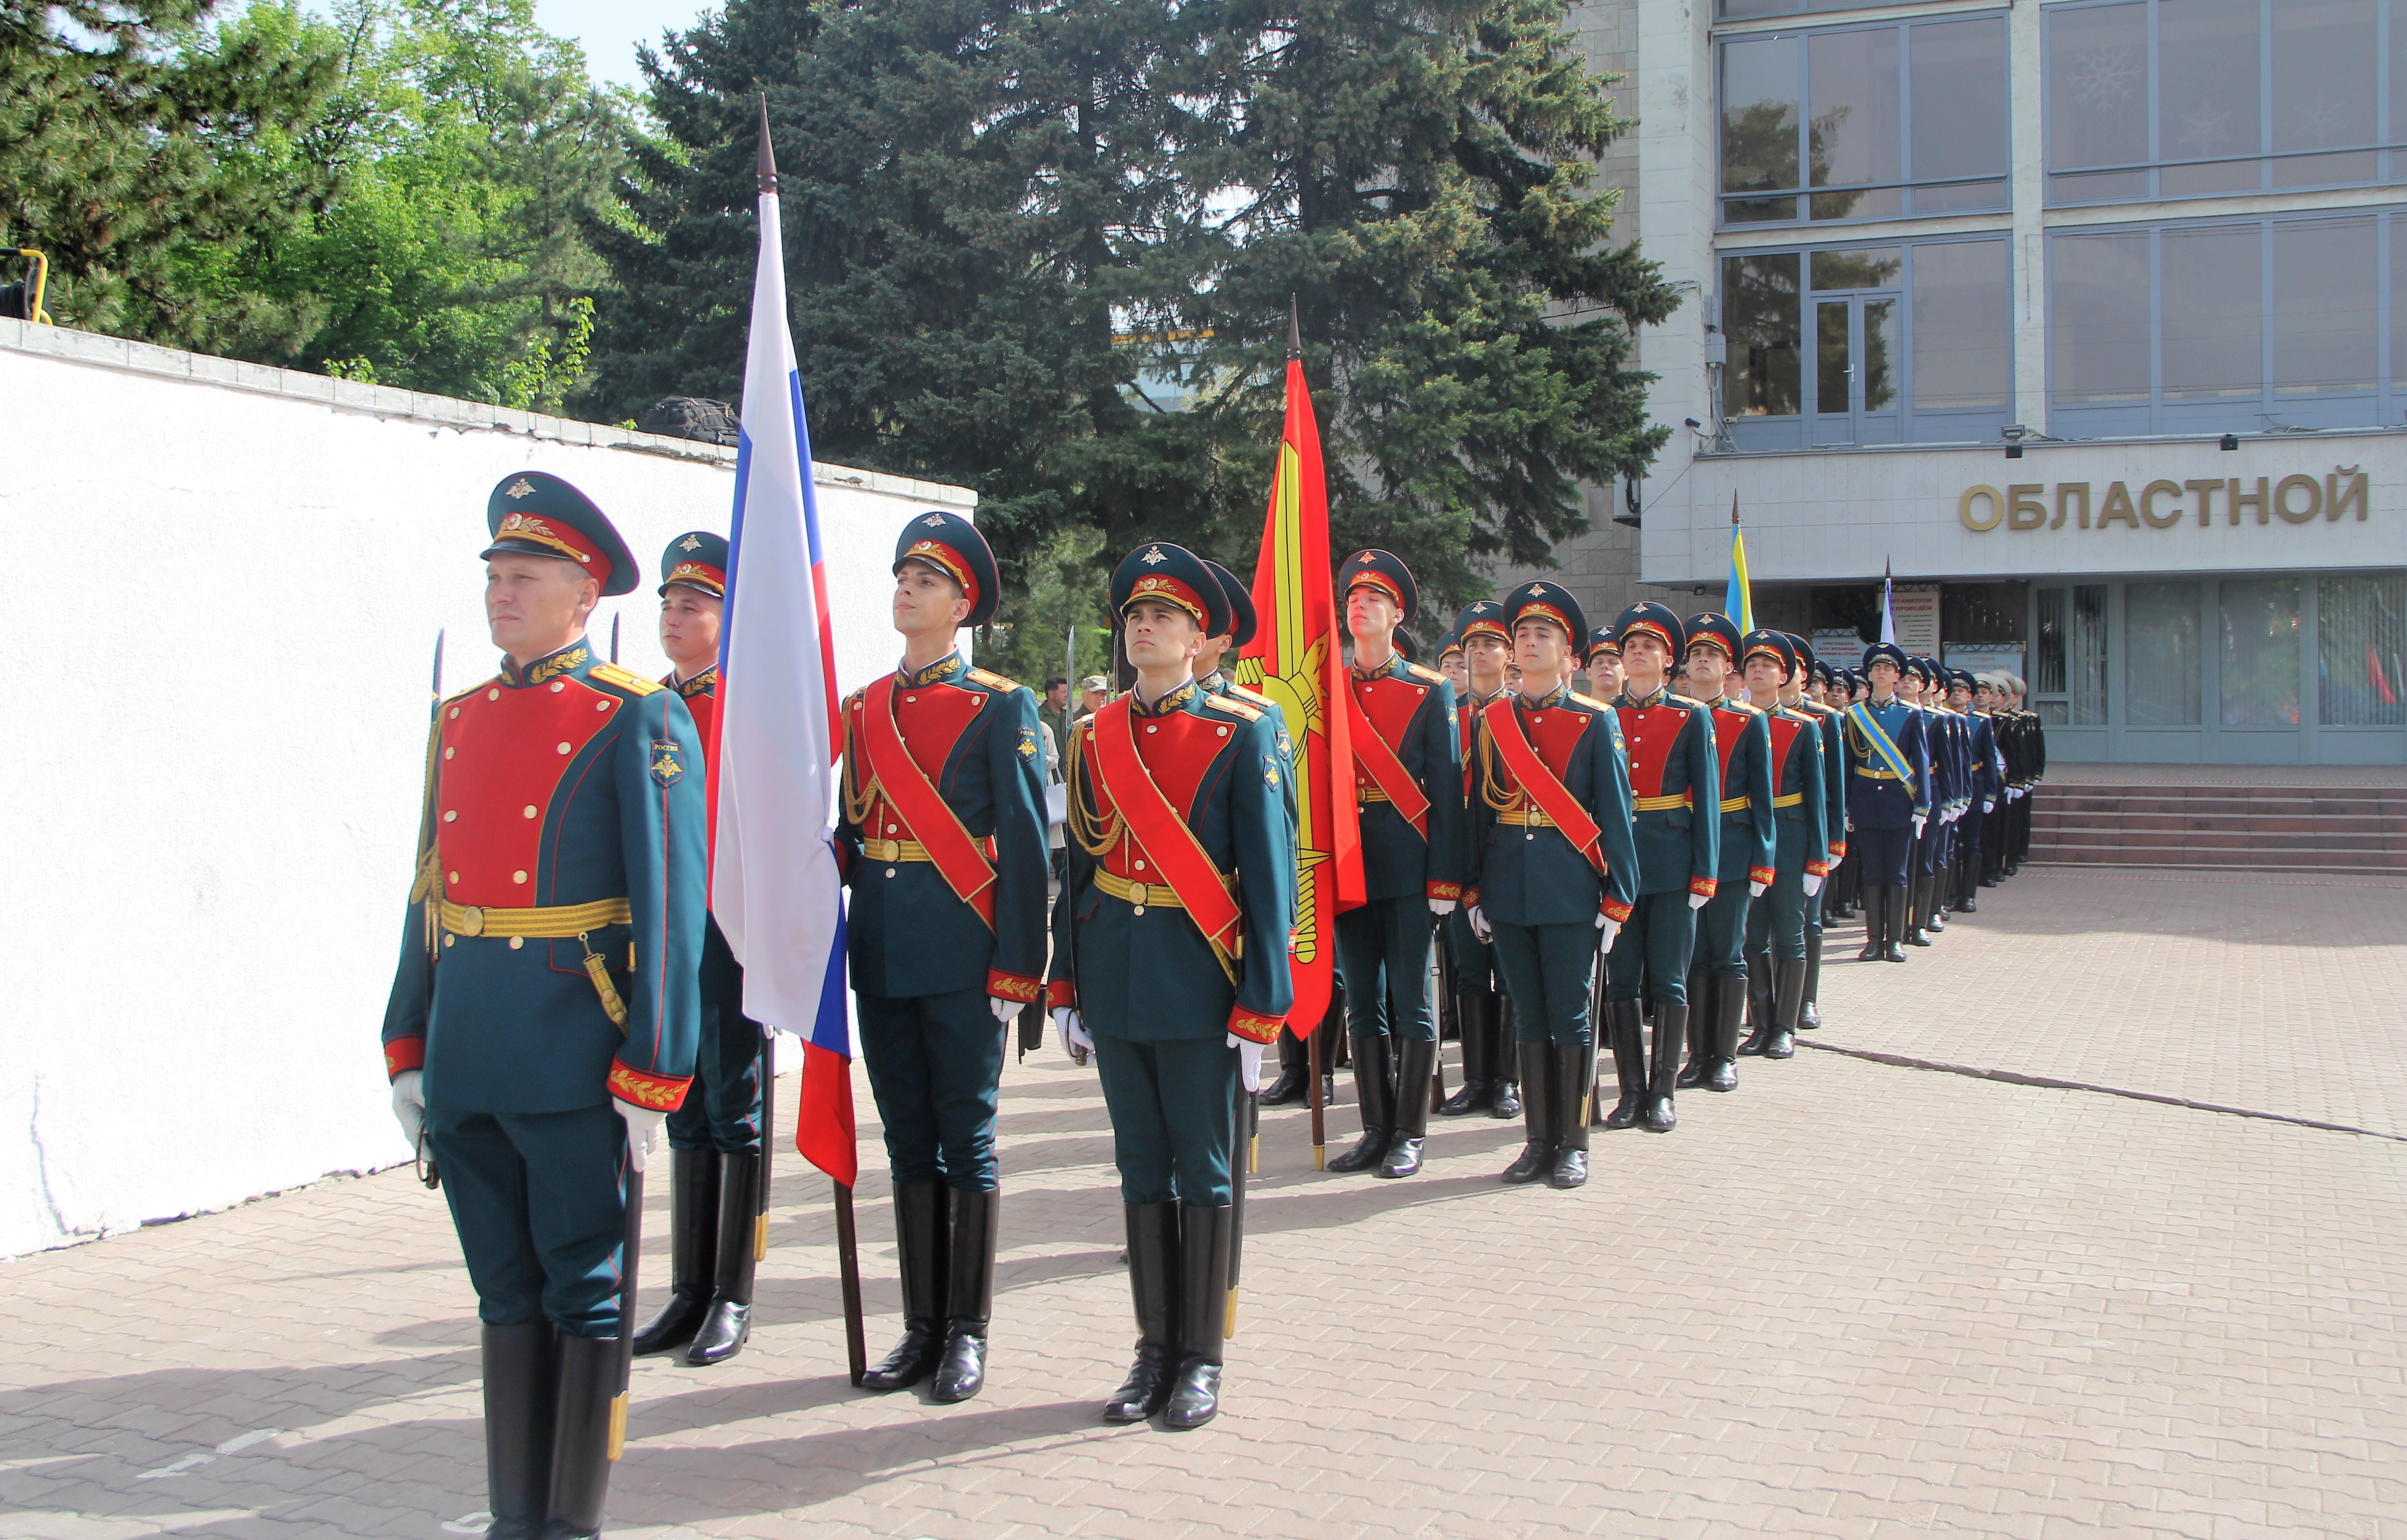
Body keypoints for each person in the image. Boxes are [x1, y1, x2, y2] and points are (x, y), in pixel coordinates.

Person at [383, 472, 705, 1540]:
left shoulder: (634, 713)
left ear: (583, 594)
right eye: (496, 576)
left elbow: (670, 902)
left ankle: (569, 1520)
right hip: (473, 1042)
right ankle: (513, 1510)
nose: (502, 593)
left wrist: (657, 1061)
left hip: (574, 1046)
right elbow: (430, 890)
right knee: (503, 1288)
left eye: (526, 577)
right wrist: (407, 1039)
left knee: (584, 1285)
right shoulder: (462, 716)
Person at [1050, 542, 1294, 1430]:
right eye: (1134, 616)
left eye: (1164, 617)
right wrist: (1065, 988)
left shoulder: (1245, 727)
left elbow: (1269, 878)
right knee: (1141, 1167)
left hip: (1203, 979)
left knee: (1207, 1169)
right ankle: (1152, 1350)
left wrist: (1265, 1006)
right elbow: (1077, 870)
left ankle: (1202, 1356)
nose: (1142, 627)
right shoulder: (1092, 734)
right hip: (1115, 973)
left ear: (1200, 639)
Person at [838, 512, 1050, 1404]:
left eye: (925, 581)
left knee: (967, 1140)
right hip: (882, 950)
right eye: (901, 578)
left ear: (962, 604)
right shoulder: (862, 709)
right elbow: (850, 834)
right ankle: (920, 1325)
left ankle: (968, 1329)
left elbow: (1031, 848)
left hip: (963, 951)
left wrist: (1017, 967)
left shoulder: (1001, 705)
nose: (906, 591)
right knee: (905, 1139)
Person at [631, 533, 768, 1369]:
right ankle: (687, 1289)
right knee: (681, 1106)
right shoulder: (646, 705)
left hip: (727, 933)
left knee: (732, 1105)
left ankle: (732, 1293)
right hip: (666, 934)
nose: (675, 618)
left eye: (694, 605)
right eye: (668, 604)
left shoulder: (746, 711)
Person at [1464, 582, 1638, 1186]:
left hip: (1570, 886)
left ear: (1570, 656)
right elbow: (1479, 815)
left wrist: (1619, 895)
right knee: (1529, 1017)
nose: (1530, 643)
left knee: (1571, 1017)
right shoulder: (1492, 719)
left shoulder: (1596, 720)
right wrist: (1475, 891)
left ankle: (1575, 1141)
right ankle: (1538, 1140)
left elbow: (1615, 814)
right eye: (1524, 636)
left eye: (1545, 636)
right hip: (1509, 887)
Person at [1324, 550, 1464, 1179]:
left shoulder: (1430, 689)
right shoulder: (1325, 689)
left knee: (1411, 999)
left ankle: (1409, 1132)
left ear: (1396, 613)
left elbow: (1446, 792)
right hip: (1348, 861)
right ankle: (1373, 1129)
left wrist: (1444, 877)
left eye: (1373, 599)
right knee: (1361, 1002)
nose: (1359, 607)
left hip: (1407, 860)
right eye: (1352, 598)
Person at [1600, 603, 1720, 1133]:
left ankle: (1663, 1091)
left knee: (1669, 979)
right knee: (1622, 980)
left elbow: (1709, 800)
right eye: (1630, 647)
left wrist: (1704, 873)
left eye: (1648, 647)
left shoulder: (1691, 715)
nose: (1638, 654)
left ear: (1667, 661)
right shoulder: (1601, 714)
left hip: (1671, 861)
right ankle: (1629, 1091)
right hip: (1617, 865)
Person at [1674, 613, 1772, 1096]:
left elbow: (1762, 797)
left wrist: (1762, 859)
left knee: (1727, 953)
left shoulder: (1748, 721)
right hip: (1684, 846)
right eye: (1695, 655)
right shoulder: (1674, 713)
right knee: (1693, 956)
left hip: (1732, 846)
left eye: (1711, 656)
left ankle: (1724, 1056)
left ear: (1726, 666)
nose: (1702, 662)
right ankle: (1697, 1055)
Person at [1437, 600, 1520, 1121]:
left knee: (1509, 973)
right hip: (1459, 857)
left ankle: (1507, 1079)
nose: (1480, 653)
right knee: (1467, 973)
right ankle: (1474, 1079)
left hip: (1512, 858)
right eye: (1471, 645)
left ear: (1507, 654)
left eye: (1490, 644)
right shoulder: (1449, 714)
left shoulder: (1523, 713)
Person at [1735, 632, 1829, 1060]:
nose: (1758, 672)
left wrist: (1819, 857)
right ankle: (1760, 1021)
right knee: (1753, 938)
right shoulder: (1730, 721)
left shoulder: (1803, 727)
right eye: (1752, 665)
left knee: (1789, 934)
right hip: (1745, 836)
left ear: (1785, 676)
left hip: (1790, 839)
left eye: (1768, 666)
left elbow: (1819, 797)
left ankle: (1785, 1027)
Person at [1842, 643, 1931, 964]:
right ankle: (1873, 941)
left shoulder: (1911, 714)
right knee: (1872, 873)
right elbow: (1848, 763)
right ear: (1869, 674)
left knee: (1896, 872)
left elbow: (1920, 761)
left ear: (1897, 676)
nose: (1881, 672)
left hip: (1898, 799)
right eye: (1876, 668)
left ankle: (1895, 939)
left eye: (1888, 669)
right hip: (1866, 799)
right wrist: (1846, 806)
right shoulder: (1854, 715)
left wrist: (1923, 804)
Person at [1780, 640, 1847, 1034]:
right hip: (1772, 833)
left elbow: (1832, 790)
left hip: (1808, 834)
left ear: (1803, 675)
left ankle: (1806, 999)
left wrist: (1832, 843)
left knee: (1809, 921)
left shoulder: (1823, 719)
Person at [1583, 629, 1623, 702]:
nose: (1605, 666)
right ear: (1588, 673)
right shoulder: (1577, 711)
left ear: (1626, 673)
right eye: (1599, 662)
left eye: (1613, 662)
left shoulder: (1637, 711)